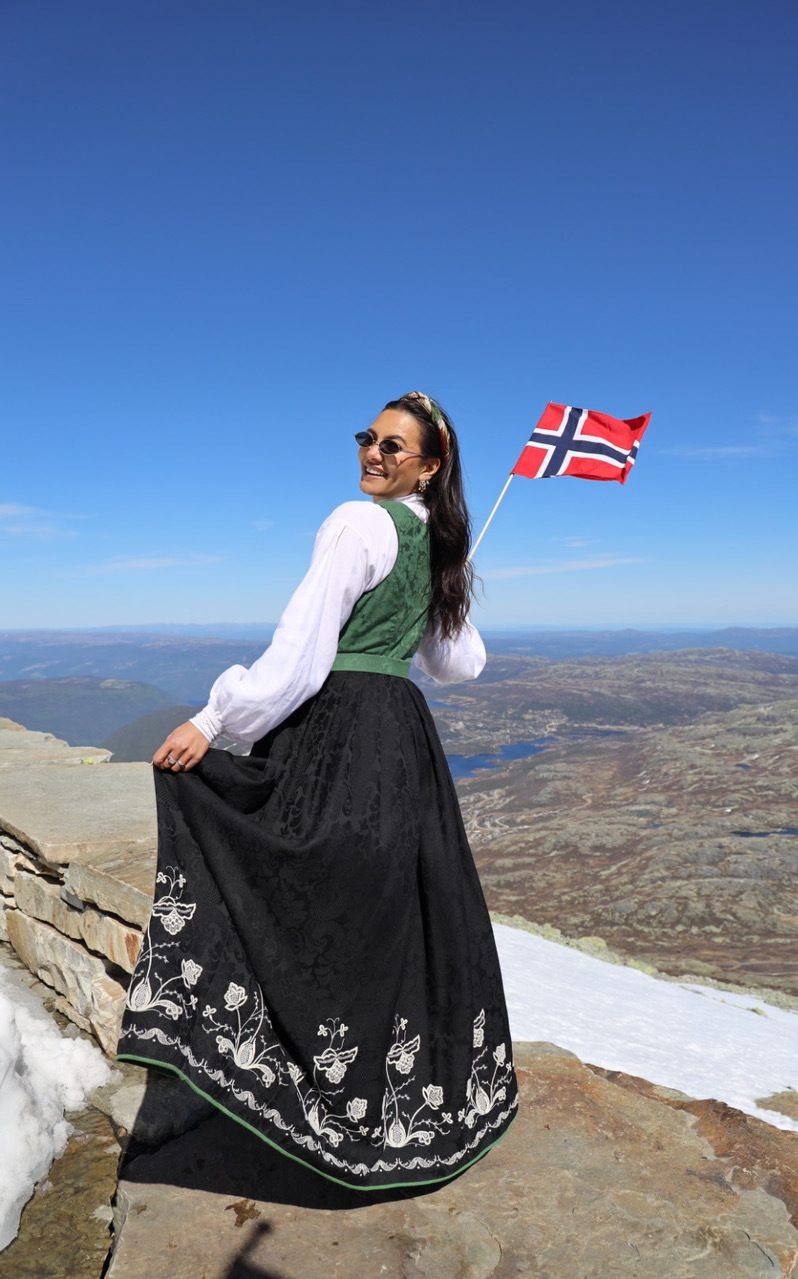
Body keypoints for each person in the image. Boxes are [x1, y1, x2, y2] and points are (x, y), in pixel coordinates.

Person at [116, 391, 518, 1189]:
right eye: (368, 438)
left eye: (395, 447)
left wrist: (212, 720)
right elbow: (455, 665)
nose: (374, 453)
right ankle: (400, 1106)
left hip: (335, 729)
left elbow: (301, 652)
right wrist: (446, 574)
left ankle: (240, 1079)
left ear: (428, 466)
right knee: (391, 913)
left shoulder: (358, 523)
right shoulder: (422, 534)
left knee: (285, 880)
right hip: (400, 744)